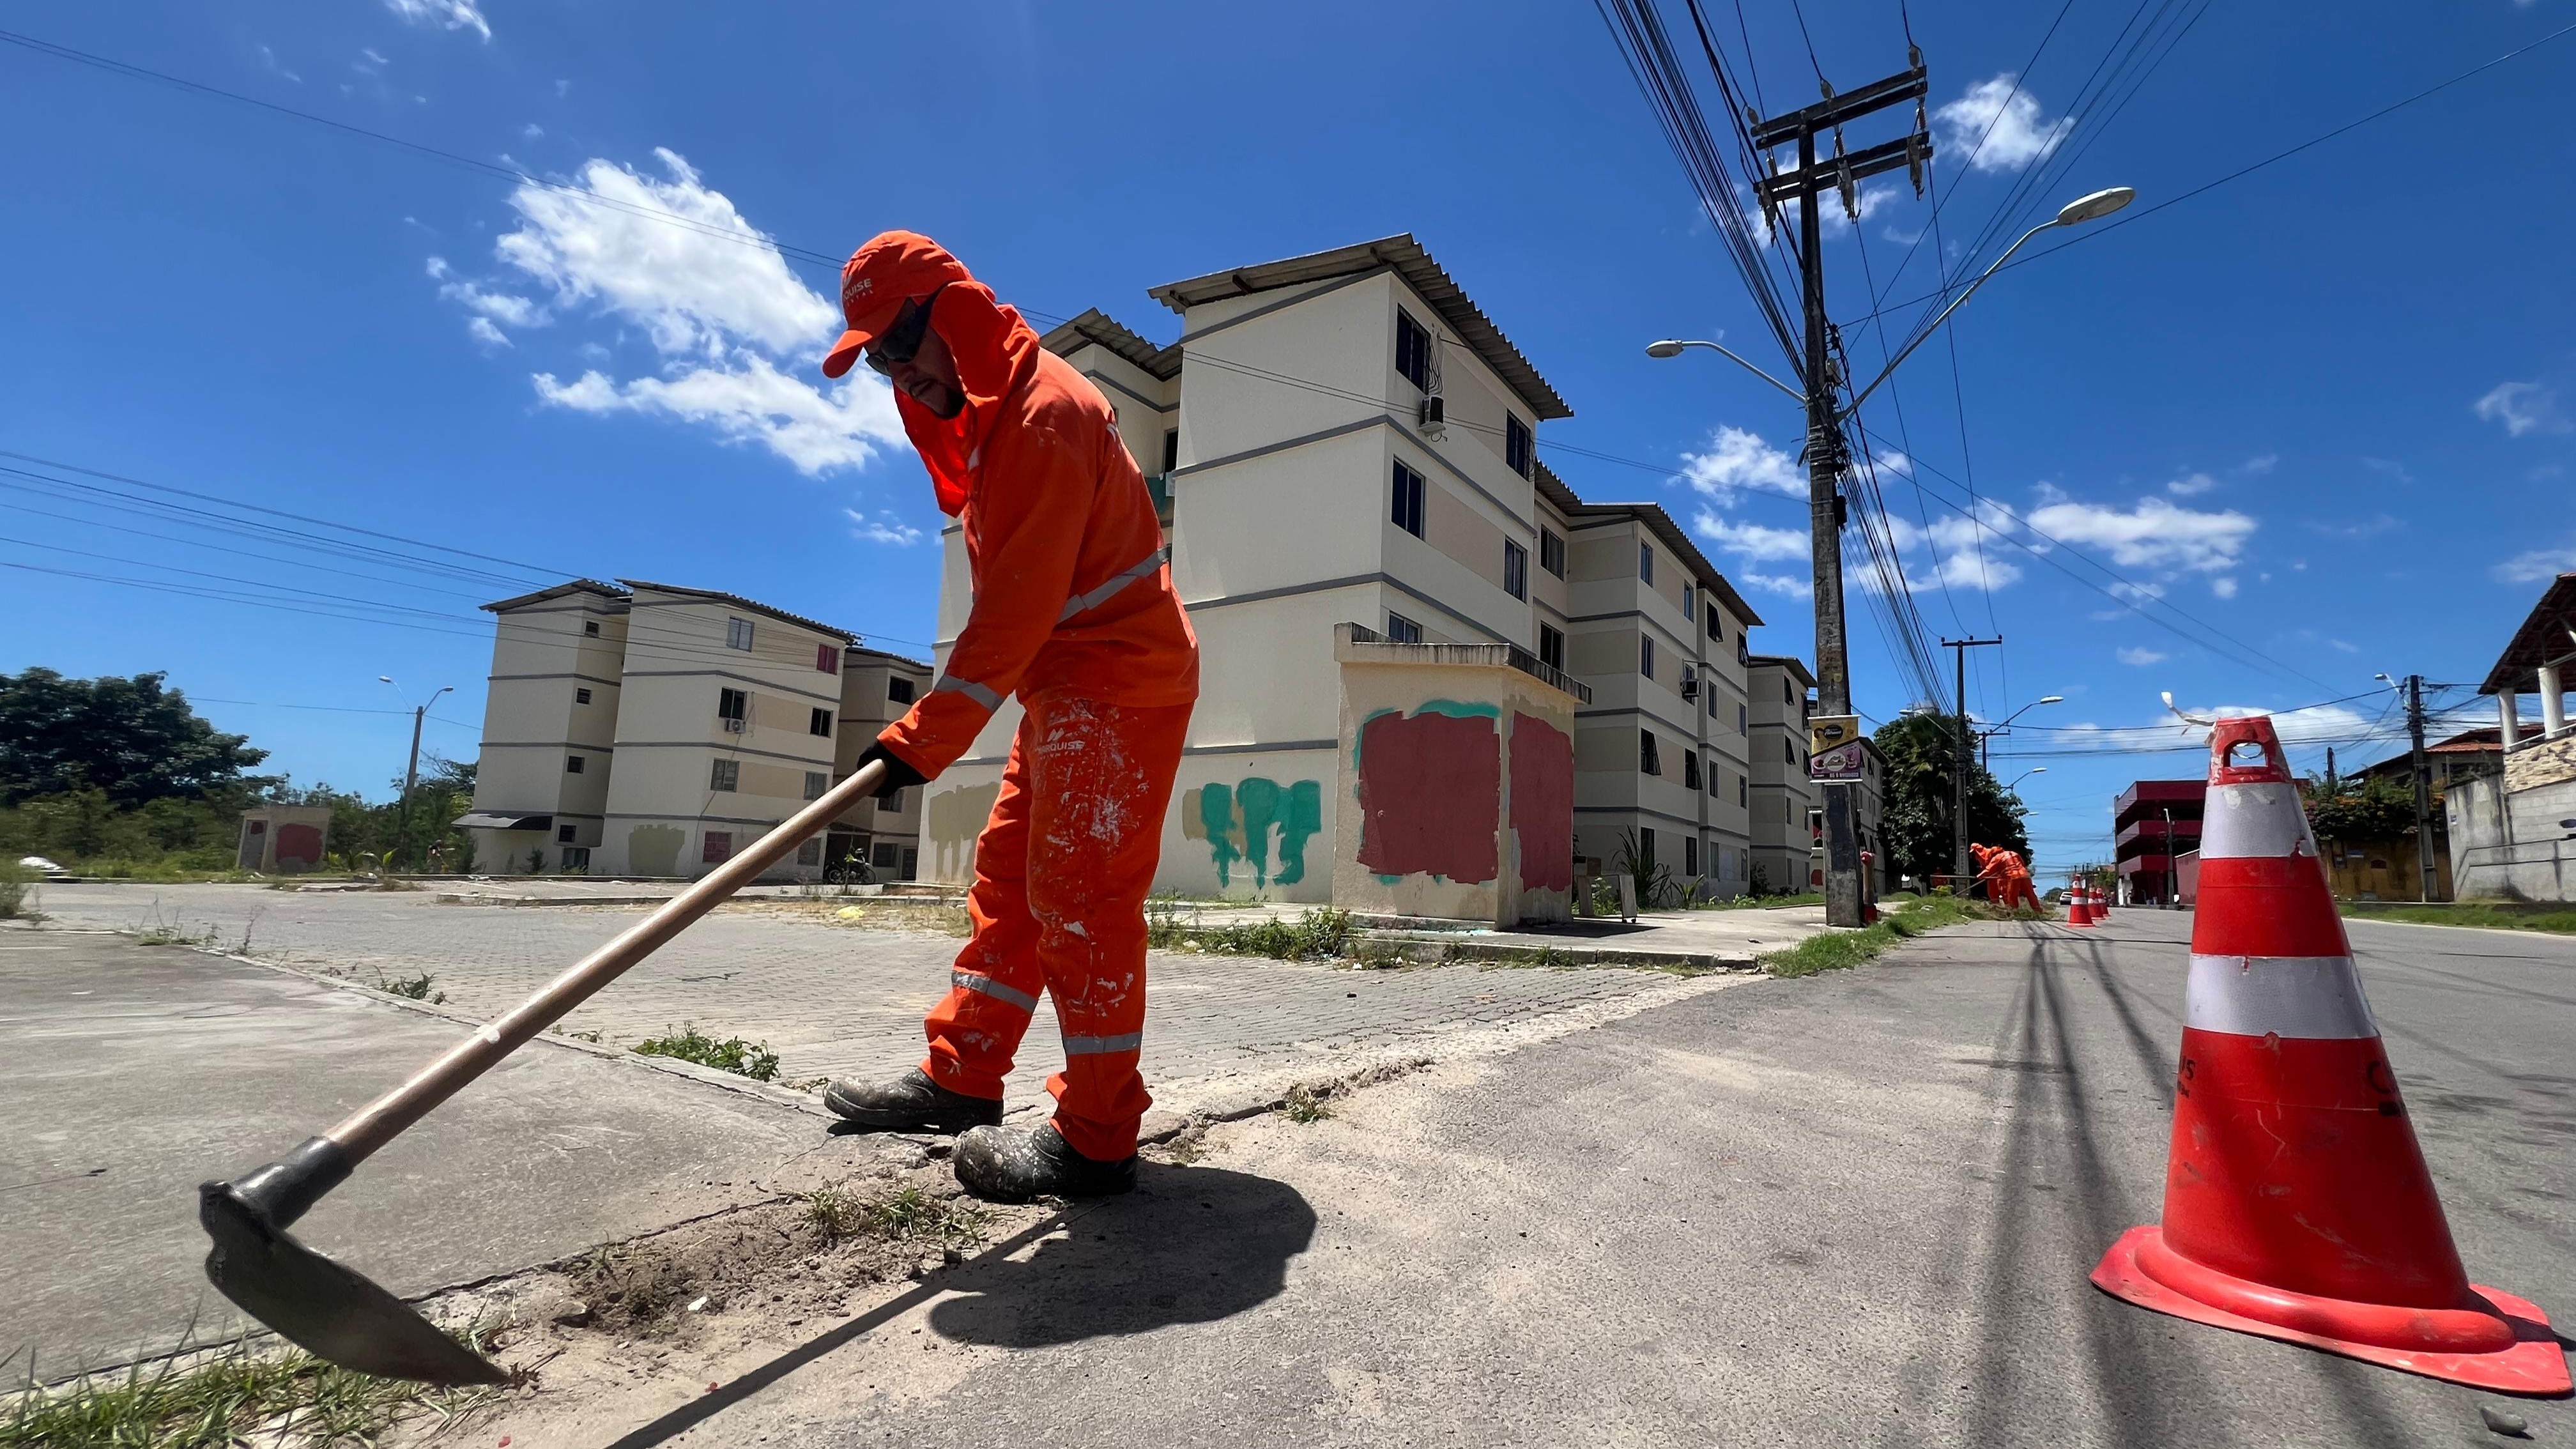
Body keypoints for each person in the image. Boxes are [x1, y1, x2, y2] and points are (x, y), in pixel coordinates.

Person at [815, 232, 1199, 1204]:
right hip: (1067, 685)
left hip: (1118, 680)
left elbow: (1014, 614)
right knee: (1011, 878)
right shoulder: (997, 426)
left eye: (902, 342)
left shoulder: (1043, 417)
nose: (899, 370)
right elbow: (1025, 624)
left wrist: (919, 741)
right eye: (880, 360)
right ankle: (963, 1075)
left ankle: (1098, 1136)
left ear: (955, 319)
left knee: (1081, 898)